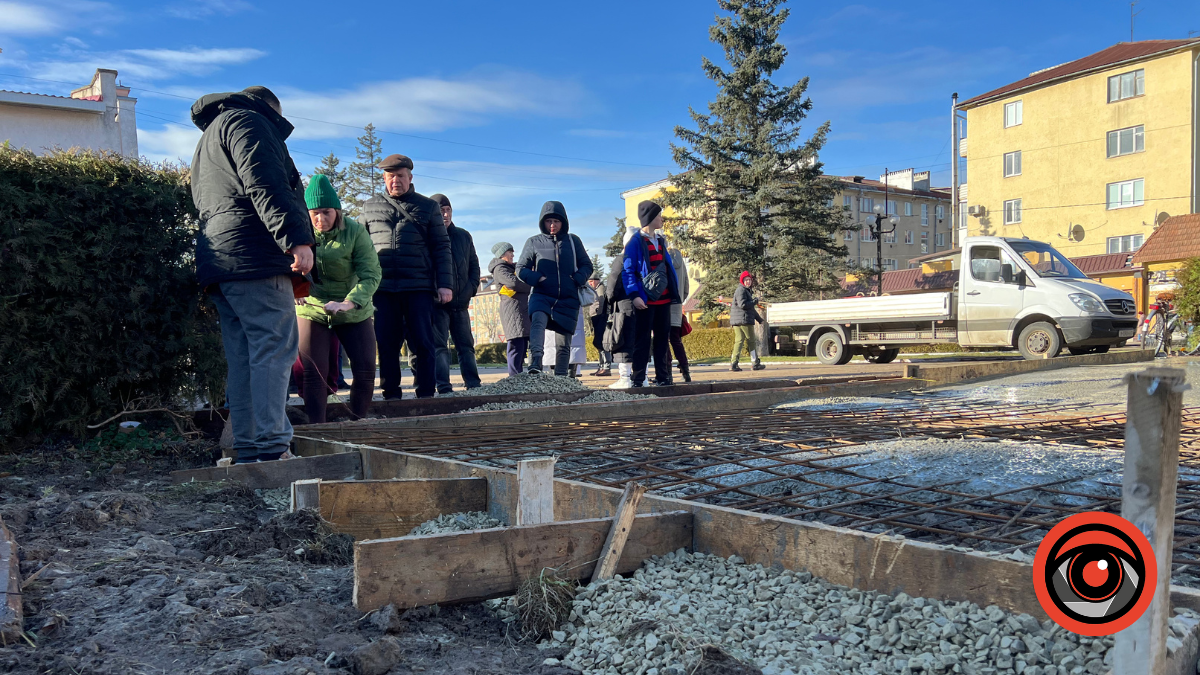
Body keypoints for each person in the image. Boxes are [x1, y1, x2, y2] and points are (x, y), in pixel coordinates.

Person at [191, 85, 314, 464]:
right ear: (271, 111)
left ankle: (247, 447)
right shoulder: (250, 122)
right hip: (255, 255)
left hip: (222, 260)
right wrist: (295, 238)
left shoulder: (210, 136)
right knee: (273, 350)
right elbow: (266, 183)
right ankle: (272, 447)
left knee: (245, 355)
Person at [360, 154, 454, 399]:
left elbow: (441, 247)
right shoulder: (370, 207)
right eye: (390, 176)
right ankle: (391, 395)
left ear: (410, 177)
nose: (395, 181)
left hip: (418, 287)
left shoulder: (428, 206)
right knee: (387, 344)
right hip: (382, 288)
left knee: (423, 343)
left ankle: (425, 395)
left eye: (400, 176)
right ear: (384, 178)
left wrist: (444, 284)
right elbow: (359, 247)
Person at [294, 173, 381, 423]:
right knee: (314, 373)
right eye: (315, 214)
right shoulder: (298, 232)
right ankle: (318, 430)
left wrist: (349, 303)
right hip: (312, 307)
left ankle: (357, 422)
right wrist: (295, 289)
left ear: (337, 211)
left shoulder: (354, 231)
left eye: (327, 212)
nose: (321, 219)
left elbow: (371, 273)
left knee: (365, 370)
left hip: (353, 308)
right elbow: (282, 263)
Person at [413, 194, 481, 394]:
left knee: (466, 347)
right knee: (439, 347)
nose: (445, 214)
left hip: (461, 303)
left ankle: (474, 384)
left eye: (448, 210)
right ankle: (444, 387)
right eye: (440, 210)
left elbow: (474, 267)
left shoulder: (463, 236)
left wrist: (469, 290)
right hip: (438, 305)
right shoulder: (426, 237)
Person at [516, 201, 593, 376]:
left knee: (563, 341)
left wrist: (577, 279)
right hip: (542, 294)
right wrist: (537, 278)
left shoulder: (573, 241)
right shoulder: (534, 242)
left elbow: (586, 265)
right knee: (537, 322)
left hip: (568, 297)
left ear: (563, 222)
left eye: (556, 221)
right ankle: (535, 363)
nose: (552, 225)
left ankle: (561, 377)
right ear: (542, 222)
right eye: (548, 221)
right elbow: (521, 268)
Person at [622, 201, 681, 387]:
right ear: (649, 219)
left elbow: (668, 268)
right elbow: (628, 270)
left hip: (663, 299)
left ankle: (663, 377)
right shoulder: (636, 242)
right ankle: (638, 378)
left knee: (663, 339)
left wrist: (674, 291)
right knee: (643, 340)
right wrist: (634, 295)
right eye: (658, 216)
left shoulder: (661, 241)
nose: (661, 219)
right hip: (645, 300)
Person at [488, 242, 532, 376]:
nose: (513, 254)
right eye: (510, 252)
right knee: (515, 343)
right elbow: (514, 283)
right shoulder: (500, 269)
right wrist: (531, 286)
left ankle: (519, 375)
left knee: (522, 344)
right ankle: (514, 376)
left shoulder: (512, 268)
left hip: (521, 310)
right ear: (502, 254)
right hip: (513, 311)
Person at [604, 225, 640, 389]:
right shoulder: (642, 258)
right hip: (642, 305)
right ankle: (642, 377)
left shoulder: (623, 258)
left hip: (624, 305)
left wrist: (610, 300)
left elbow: (613, 282)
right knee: (639, 341)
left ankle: (625, 378)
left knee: (622, 339)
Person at [731, 271, 766, 372]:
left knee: (739, 341)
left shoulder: (744, 291)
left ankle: (734, 363)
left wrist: (759, 319)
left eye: (749, 280)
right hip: (744, 320)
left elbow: (750, 308)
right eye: (746, 280)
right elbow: (743, 305)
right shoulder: (741, 290)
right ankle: (755, 363)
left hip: (737, 321)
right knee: (751, 341)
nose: (748, 282)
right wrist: (755, 301)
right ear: (742, 281)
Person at [668, 245, 691, 383]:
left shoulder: (662, 255)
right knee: (676, 340)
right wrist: (681, 298)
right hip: (677, 303)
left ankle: (667, 372)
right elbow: (687, 284)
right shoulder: (680, 259)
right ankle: (685, 370)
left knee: (663, 340)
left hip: (664, 303)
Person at [588, 270, 612, 376]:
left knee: (602, 342)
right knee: (598, 342)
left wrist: (600, 314)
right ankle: (602, 366)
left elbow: (601, 301)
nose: (590, 284)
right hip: (596, 317)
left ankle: (606, 366)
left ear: (597, 281)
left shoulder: (600, 288)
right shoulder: (595, 290)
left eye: (592, 282)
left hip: (600, 317)